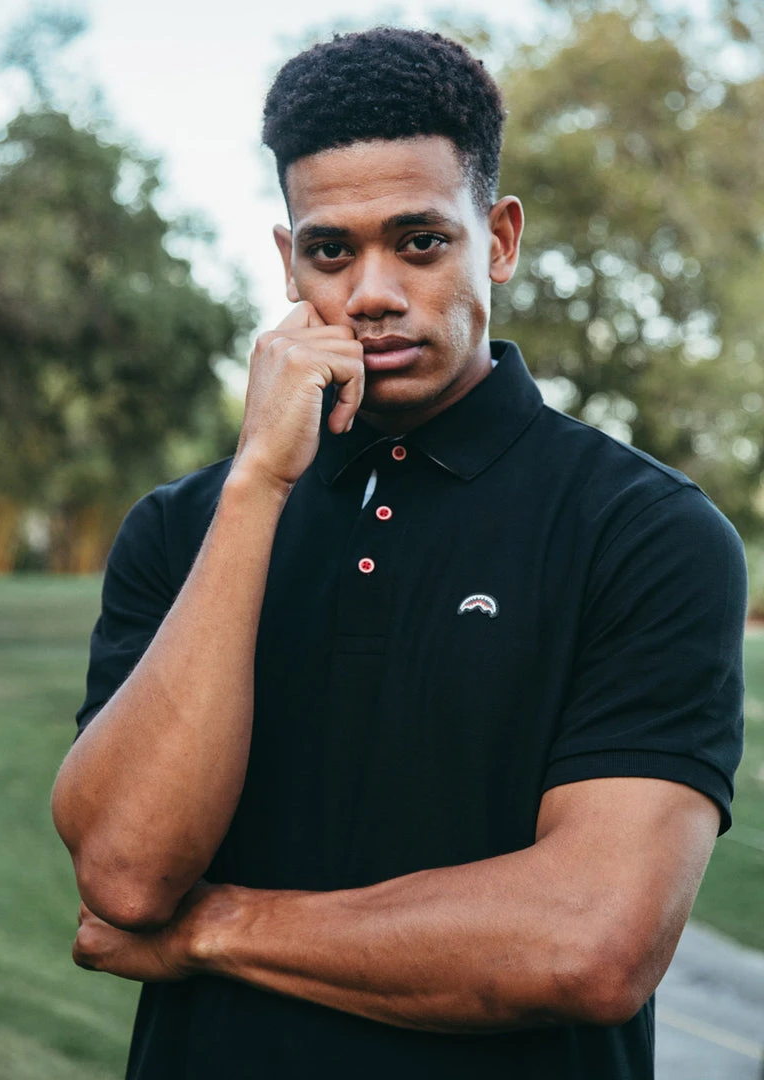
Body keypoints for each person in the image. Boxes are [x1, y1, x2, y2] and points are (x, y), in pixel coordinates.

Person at [51, 27, 747, 1080]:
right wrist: (257, 485)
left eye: (420, 242)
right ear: (289, 262)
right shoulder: (184, 527)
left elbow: (590, 943)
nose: (372, 292)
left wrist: (213, 932)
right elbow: (127, 880)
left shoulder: (645, 532)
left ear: (498, 240)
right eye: (331, 251)